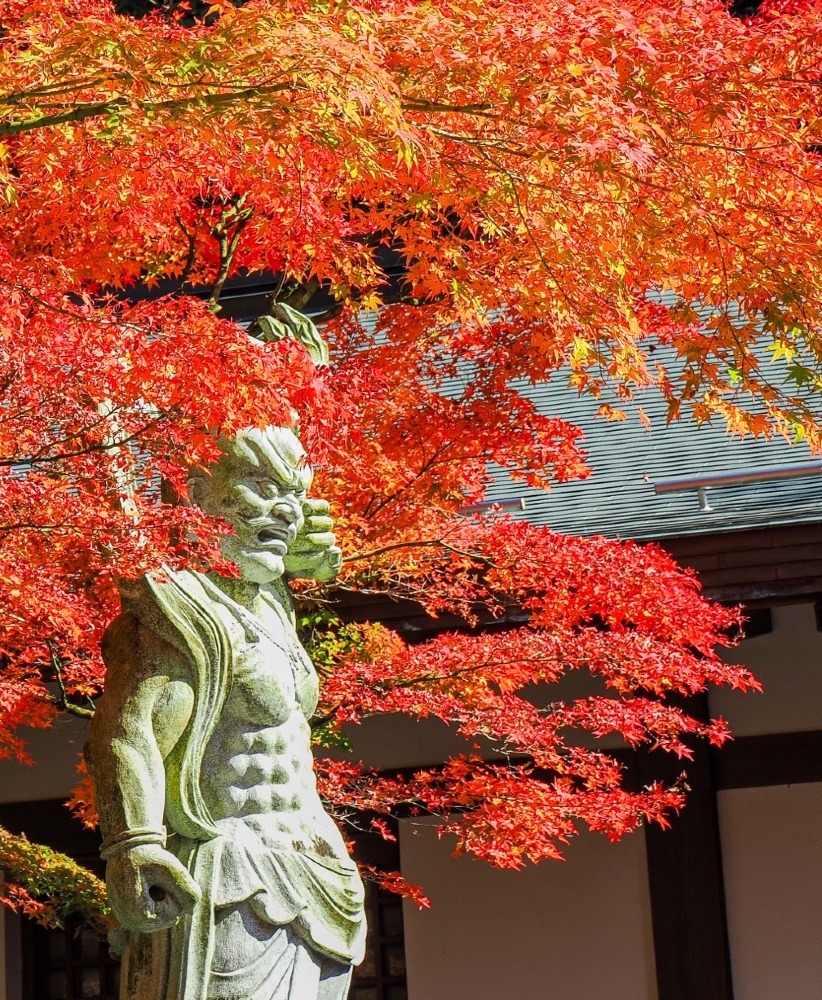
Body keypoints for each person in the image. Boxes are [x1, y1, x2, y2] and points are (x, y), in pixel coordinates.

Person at [85, 426, 366, 1000]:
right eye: (261, 487)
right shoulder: (183, 612)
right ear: (195, 493)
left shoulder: (271, 604)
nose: (286, 510)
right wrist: (133, 843)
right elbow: (130, 731)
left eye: (295, 493)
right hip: (234, 867)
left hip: (320, 868)